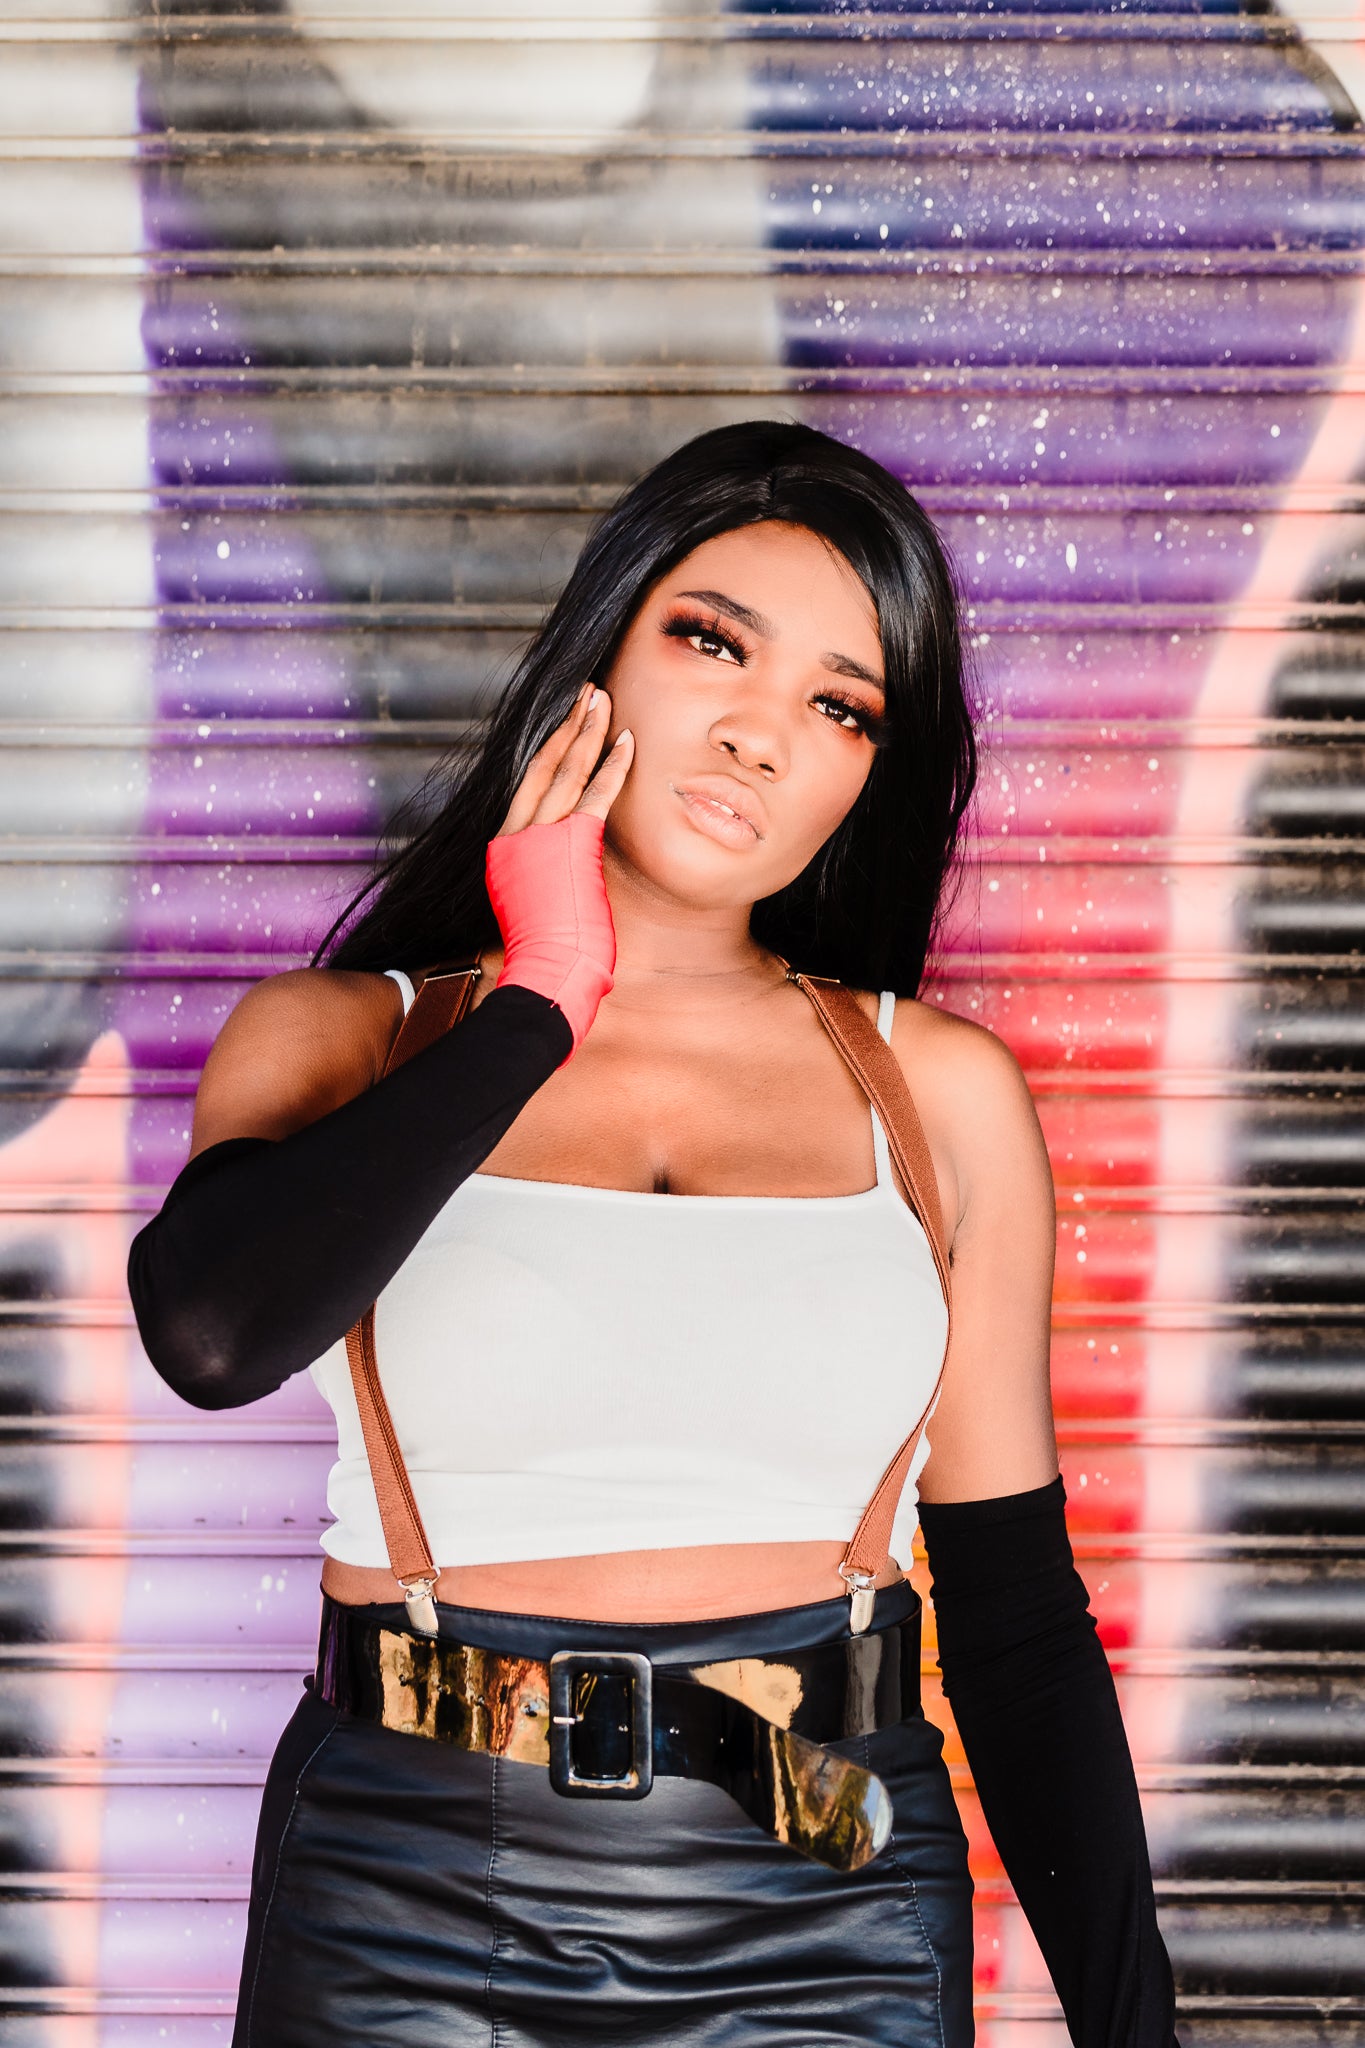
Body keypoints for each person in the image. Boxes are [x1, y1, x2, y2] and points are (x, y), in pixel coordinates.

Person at [127, 421, 1177, 2047]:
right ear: (598, 657)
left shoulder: (935, 1093)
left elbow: (1018, 1622)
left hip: (829, 1893)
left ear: (867, 772)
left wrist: (1134, 2028)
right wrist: (539, 998)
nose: (763, 736)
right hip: (408, 1891)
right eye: (712, 643)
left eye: (840, 705)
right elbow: (209, 1337)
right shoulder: (349, 1039)